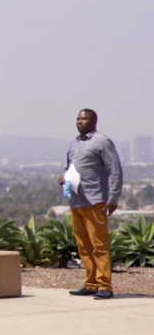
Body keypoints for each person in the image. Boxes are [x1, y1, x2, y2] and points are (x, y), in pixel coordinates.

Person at [60, 109, 123, 299]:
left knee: (99, 245)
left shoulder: (101, 141)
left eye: (84, 118)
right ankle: (91, 283)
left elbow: (115, 170)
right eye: (78, 118)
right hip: (76, 200)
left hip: (95, 200)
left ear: (94, 121)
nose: (80, 121)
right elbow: (70, 168)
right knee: (84, 246)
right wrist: (64, 178)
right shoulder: (74, 144)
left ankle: (105, 285)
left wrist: (113, 198)